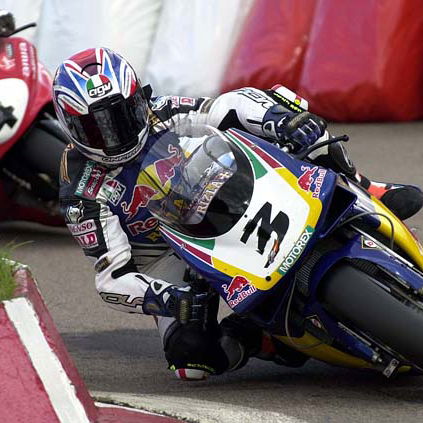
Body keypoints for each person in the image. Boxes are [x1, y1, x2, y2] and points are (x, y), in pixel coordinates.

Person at [54, 47, 423, 380]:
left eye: (121, 116)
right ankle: (256, 338)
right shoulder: (81, 189)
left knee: (299, 125)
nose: (113, 134)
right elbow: (111, 278)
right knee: (191, 358)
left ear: (138, 99)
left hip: (228, 190)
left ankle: (365, 187)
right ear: (70, 127)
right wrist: (169, 299)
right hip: (167, 252)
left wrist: (278, 120)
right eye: (95, 127)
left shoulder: (162, 111)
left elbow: (228, 106)